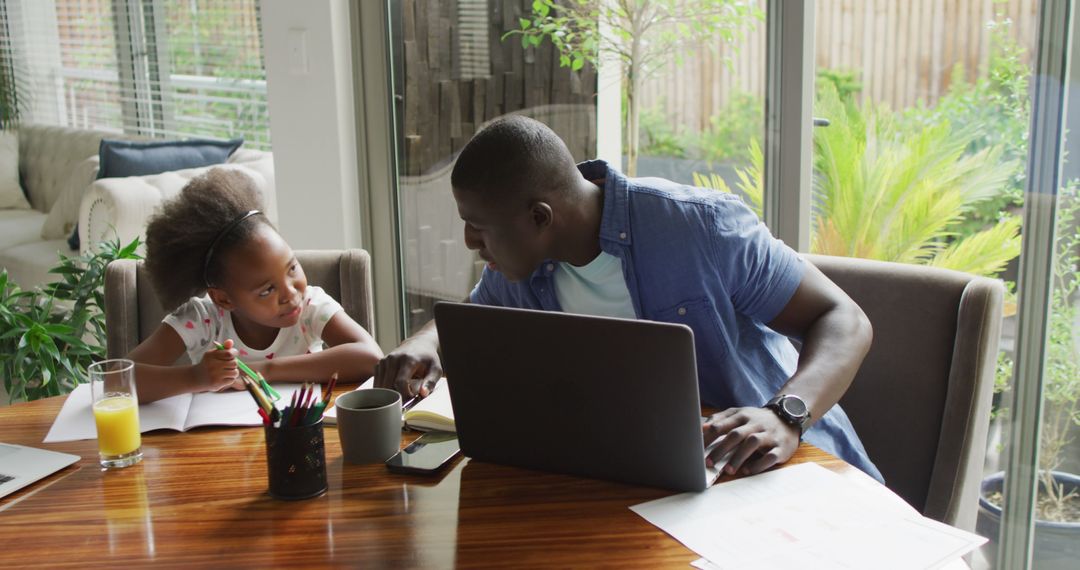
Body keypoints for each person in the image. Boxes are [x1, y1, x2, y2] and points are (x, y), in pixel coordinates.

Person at [375, 115, 882, 481]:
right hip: (655, 478)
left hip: (783, 466)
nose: (468, 241)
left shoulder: (699, 227)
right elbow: (470, 315)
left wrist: (785, 414)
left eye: (478, 227)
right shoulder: (521, 266)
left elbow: (844, 317)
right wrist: (425, 340)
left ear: (540, 218)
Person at [128, 169, 384, 403]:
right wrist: (195, 377)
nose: (290, 293)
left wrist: (266, 370)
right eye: (267, 290)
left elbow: (371, 357)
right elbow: (116, 380)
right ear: (224, 299)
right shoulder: (203, 319)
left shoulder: (310, 306)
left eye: (292, 268)